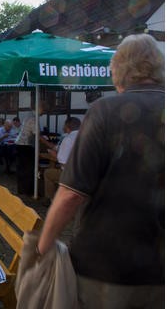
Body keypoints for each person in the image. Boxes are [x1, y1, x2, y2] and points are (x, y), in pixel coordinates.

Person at [37, 34, 164, 308]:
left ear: (118, 69)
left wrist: (42, 248)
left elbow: (71, 194)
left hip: (106, 265)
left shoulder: (104, 111)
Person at [42, 117, 81, 202]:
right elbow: (57, 147)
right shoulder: (85, 136)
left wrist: (54, 155)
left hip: (71, 175)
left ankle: (51, 200)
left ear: (67, 126)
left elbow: (63, 162)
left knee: (48, 173)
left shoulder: (68, 139)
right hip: (84, 173)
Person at [14, 102, 45, 195]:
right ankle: (28, 191)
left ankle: (22, 189)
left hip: (21, 144)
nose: (44, 111)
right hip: (25, 145)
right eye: (43, 108)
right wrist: (48, 144)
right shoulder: (33, 119)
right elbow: (38, 136)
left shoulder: (29, 115)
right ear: (39, 108)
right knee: (28, 169)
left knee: (22, 168)